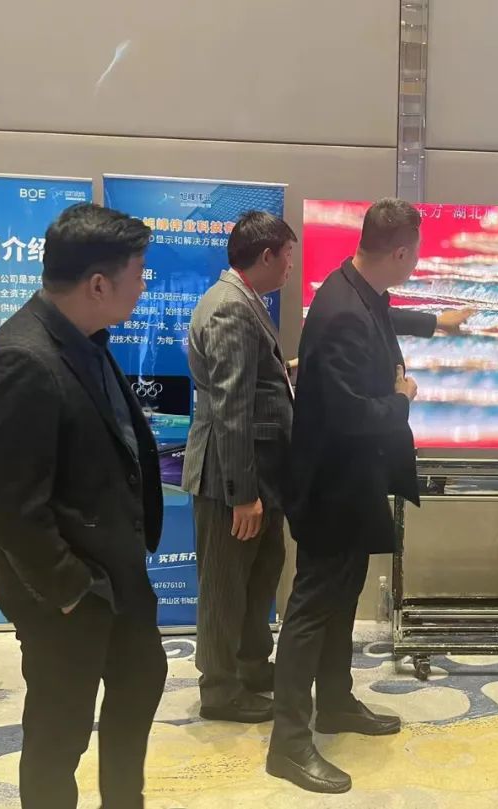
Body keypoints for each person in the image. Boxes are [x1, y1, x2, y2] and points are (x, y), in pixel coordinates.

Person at [0, 204, 166, 809]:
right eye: (138, 274)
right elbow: (8, 505)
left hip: (117, 573)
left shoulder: (86, 341)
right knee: (60, 733)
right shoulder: (21, 359)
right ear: (98, 284)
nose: (143, 285)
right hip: (66, 594)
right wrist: (72, 590)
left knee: (139, 686)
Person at [267, 198, 427, 794]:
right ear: (401, 252)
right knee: (312, 609)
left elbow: (385, 321)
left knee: (340, 598)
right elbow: (348, 416)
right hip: (332, 488)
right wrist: (402, 399)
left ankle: (334, 703)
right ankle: (288, 744)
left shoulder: (359, 291)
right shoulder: (341, 311)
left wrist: (438, 324)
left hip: (352, 482)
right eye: (415, 255)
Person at [182, 211, 297, 724]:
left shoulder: (244, 300)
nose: (290, 268)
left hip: (258, 472)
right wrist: (242, 494)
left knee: (259, 576)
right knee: (226, 584)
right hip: (232, 476)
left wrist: (284, 371)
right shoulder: (230, 306)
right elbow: (232, 407)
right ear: (266, 255)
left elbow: (248, 379)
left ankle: (250, 667)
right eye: (287, 258)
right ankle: (220, 689)